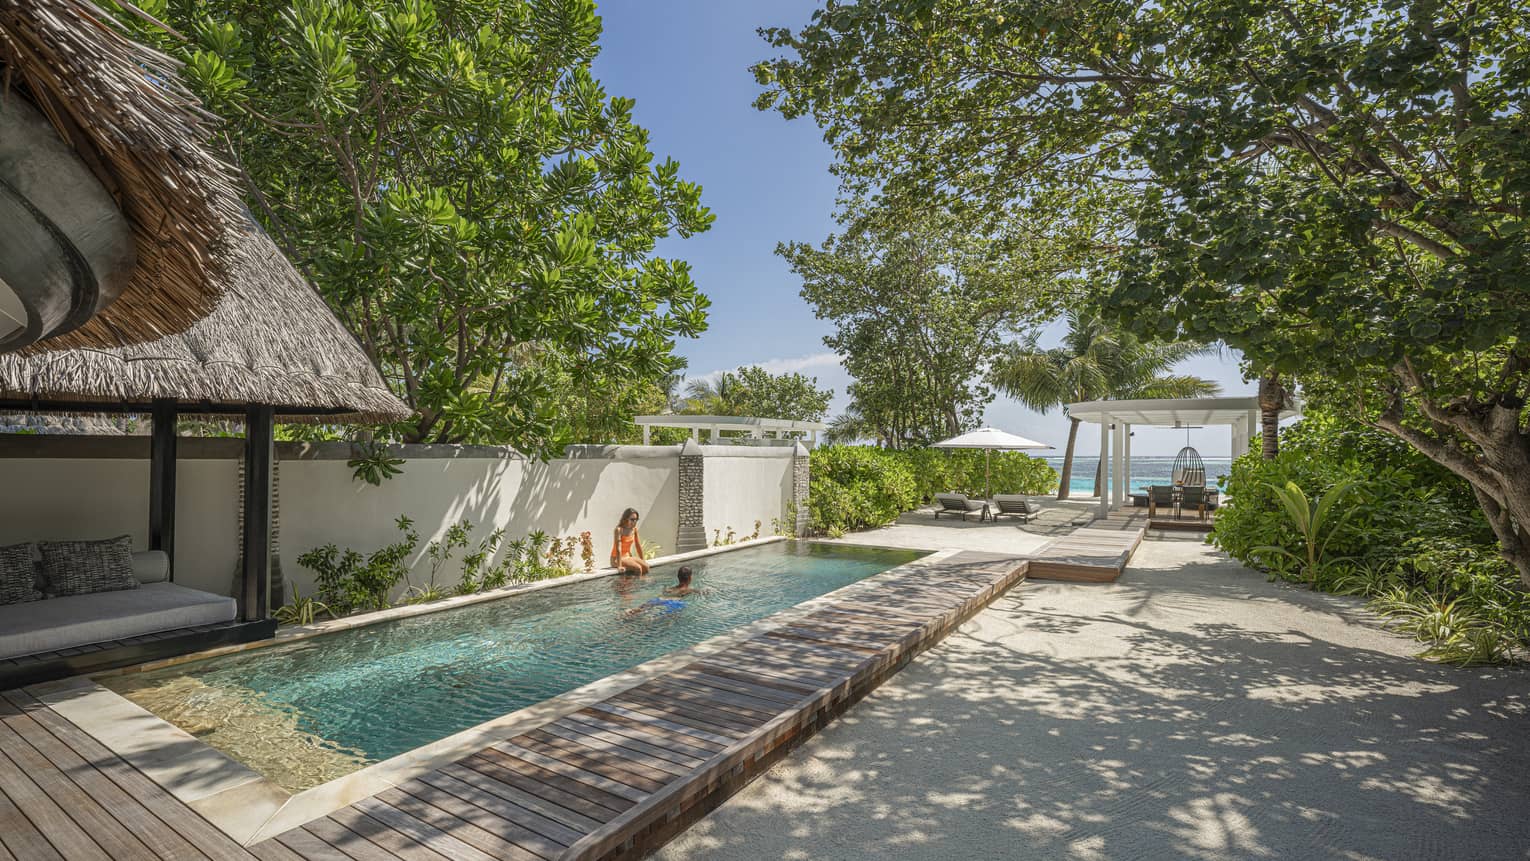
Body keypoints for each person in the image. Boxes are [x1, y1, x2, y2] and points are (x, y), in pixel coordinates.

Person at [611, 508, 650, 575]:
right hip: (616, 559)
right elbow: (618, 548)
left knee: (646, 567)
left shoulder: (634, 530)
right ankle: (637, 585)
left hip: (628, 557)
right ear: (626, 519)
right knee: (638, 568)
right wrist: (619, 566)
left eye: (636, 519)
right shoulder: (619, 530)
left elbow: (638, 546)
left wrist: (642, 560)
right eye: (632, 519)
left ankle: (641, 583)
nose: (634, 521)